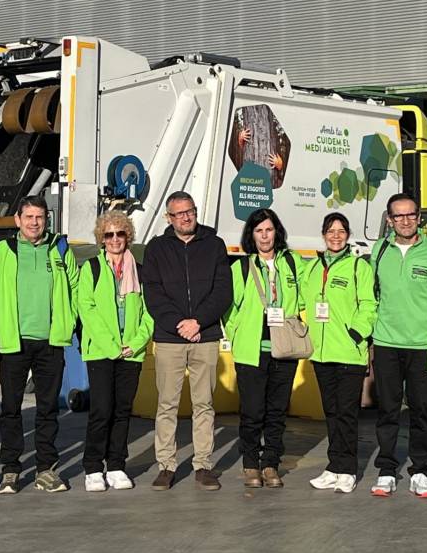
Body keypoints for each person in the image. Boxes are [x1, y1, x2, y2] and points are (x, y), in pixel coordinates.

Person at [142, 191, 232, 492]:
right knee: (167, 404)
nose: (186, 217)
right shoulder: (157, 248)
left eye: (190, 211)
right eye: (179, 213)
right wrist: (179, 325)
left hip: (205, 336)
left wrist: (199, 322)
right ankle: (166, 466)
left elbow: (222, 291)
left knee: (204, 404)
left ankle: (203, 465)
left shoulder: (214, 245)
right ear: (169, 218)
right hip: (170, 338)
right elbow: (153, 294)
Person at [0, 195, 79, 494]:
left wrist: (69, 321)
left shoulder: (60, 249)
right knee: (11, 409)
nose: (34, 223)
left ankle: (46, 469)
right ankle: (11, 470)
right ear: (17, 220)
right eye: (28, 217)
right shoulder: (3, 251)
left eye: (39, 217)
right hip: (14, 343)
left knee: (47, 410)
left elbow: (75, 288)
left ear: (47, 219)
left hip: (51, 343)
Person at [369, 193, 427, 498]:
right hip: (387, 343)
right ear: (389, 220)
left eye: (410, 215)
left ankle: (420, 471)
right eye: (398, 216)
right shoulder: (379, 250)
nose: (405, 221)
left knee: (421, 410)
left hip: (423, 345)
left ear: (419, 218)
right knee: (388, 410)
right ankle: (387, 470)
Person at [224, 208, 305, 488]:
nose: (265, 236)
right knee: (252, 411)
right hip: (251, 351)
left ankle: (271, 463)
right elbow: (229, 309)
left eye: (269, 230)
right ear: (252, 235)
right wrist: (235, 334)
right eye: (259, 231)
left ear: (276, 232)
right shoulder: (241, 268)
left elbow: (305, 298)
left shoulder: (293, 263)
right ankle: (250, 464)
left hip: (284, 349)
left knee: (276, 411)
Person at [300, 212, 377, 494]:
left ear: (347, 234)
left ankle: (348, 469)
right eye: (331, 231)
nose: (336, 235)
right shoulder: (311, 267)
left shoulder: (359, 267)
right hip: (320, 354)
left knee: (347, 413)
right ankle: (333, 467)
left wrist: (356, 332)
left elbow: (369, 304)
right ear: (323, 234)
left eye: (341, 231)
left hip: (348, 353)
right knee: (331, 413)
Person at [77, 211, 153, 492]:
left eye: (120, 233)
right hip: (101, 351)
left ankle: (117, 465)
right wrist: (111, 346)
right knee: (101, 410)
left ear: (128, 236)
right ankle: (94, 467)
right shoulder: (92, 268)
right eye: (109, 234)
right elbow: (87, 309)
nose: (115, 239)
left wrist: (136, 342)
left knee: (122, 410)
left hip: (131, 351)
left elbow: (149, 313)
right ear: (102, 239)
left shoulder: (141, 271)